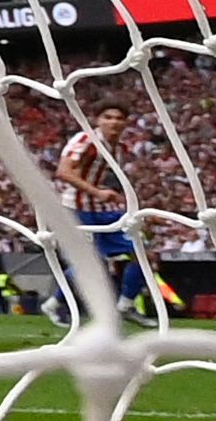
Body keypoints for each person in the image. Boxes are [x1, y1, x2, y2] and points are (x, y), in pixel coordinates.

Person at [56, 98, 174, 325]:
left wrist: (121, 202)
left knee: (145, 255)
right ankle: (58, 304)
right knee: (91, 263)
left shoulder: (117, 149)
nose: (114, 122)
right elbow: (64, 172)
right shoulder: (87, 140)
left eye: (119, 118)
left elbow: (99, 182)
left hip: (101, 210)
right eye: (108, 117)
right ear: (97, 120)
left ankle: (125, 306)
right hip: (77, 209)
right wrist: (97, 193)